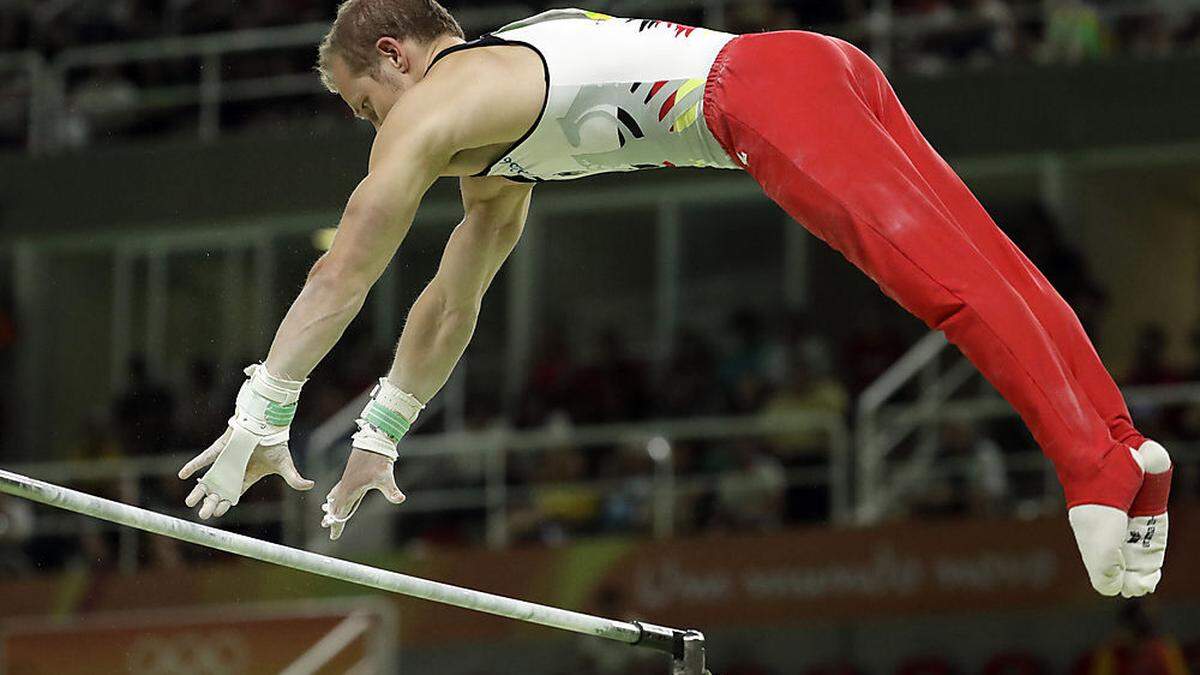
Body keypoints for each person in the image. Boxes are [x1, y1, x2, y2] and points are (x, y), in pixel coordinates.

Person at [177, 0, 1172, 598]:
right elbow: (450, 299)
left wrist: (264, 404)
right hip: (810, 68)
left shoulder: (435, 106)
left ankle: (1085, 470)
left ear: (394, 54)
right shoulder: (492, 118)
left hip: (761, 96)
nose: (371, 128)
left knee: (948, 286)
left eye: (363, 105)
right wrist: (382, 431)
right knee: (993, 265)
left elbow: (348, 261)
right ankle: (1125, 452)